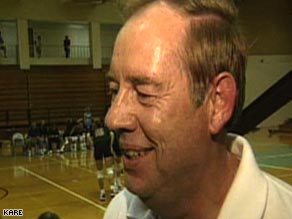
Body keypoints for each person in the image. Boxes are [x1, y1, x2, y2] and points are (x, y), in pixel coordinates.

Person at [103, 0, 292, 219]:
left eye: (144, 93)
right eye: (114, 90)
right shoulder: (119, 211)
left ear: (218, 102)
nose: (113, 118)